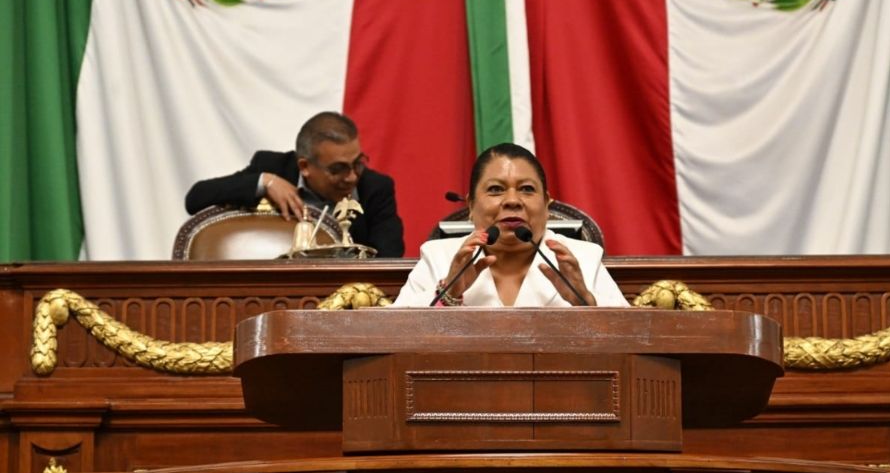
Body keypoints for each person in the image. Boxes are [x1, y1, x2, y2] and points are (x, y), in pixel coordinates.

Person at [393, 143, 628, 307]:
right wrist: (448, 294)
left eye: (527, 189)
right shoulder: (439, 257)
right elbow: (394, 334)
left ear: (546, 204)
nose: (513, 201)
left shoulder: (583, 257)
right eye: (496, 189)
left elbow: (628, 336)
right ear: (471, 205)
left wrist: (585, 302)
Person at [184, 111, 404, 257]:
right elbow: (195, 198)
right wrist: (265, 181)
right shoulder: (274, 167)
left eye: (358, 163)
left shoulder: (375, 188)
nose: (352, 177)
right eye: (338, 169)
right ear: (305, 166)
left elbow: (390, 256)